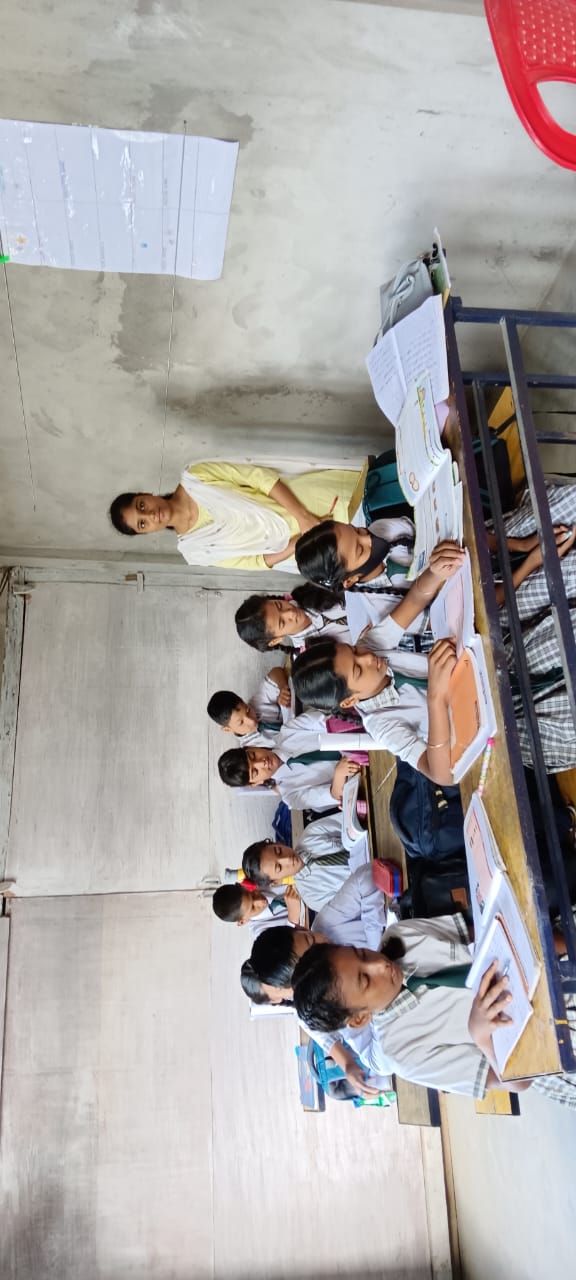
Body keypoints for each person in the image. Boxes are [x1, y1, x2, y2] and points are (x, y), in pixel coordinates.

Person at [292, 917, 576, 1108]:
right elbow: (519, 1081)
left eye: (362, 954)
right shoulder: (402, 1053)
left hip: (546, 956)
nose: (380, 965)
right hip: (549, 1040)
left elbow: (494, 929)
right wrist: (480, 1035)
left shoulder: (400, 935)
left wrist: (565, 953)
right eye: (365, 980)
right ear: (359, 1018)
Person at [108, 460, 363, 572]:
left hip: (304, 499)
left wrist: (303, 516)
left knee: (367, 500)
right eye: (143, 523)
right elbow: (255, 562)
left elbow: (258, 478)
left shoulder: (196, 476)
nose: (151, 515)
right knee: (366, 546)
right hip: (304, 542)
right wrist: (305, 538)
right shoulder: (195, 551)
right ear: (147, 532)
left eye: (142, 505)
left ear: (146, 494)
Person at [292, 637, 457, 786]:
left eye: (354, 650)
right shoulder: (381, 725)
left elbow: (411, 609)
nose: (367, 657)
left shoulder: (370, 646)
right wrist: (435, 699)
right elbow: (442, 776)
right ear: (350, 701)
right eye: (358, 670)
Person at [241, 810, 367, 912]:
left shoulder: (312, 833)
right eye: (279, 867)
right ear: (276, 882)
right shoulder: (312, 896)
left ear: (277, 843)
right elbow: (356, 904)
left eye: (279, 851)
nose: (287, 859)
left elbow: (354, 823)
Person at [218, 742, 361, 812]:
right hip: (359, 775)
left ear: (251, 746)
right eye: (255, 771)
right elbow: (335, 795)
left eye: (253, 755)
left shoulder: (289, 732)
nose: (262, 763)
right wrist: (339, 773)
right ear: (255, 783)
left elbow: (331, 722)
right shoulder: (291, 796)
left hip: (358, 740)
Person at [235, 584, 352, 654]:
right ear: (276, 640)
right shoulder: (311, 655)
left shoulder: (310, 592)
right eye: (282, 622)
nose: (290, 613)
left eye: (279, 605)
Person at [206, 667, 291, 744]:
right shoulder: (251, 749)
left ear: (244, 702)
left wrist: (282, 688)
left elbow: (276, 672)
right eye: (241, 722)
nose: (252, 721)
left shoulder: (256, 704)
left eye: (248, 710)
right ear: (227, 729)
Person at [211, 882, 301, 934]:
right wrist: (293, 919)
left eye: (252, 894)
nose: (261, 901)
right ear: (243, 921)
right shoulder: (261, 933)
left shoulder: (266, 878)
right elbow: (292, 946)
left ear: (242, 885)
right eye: (253, 908)